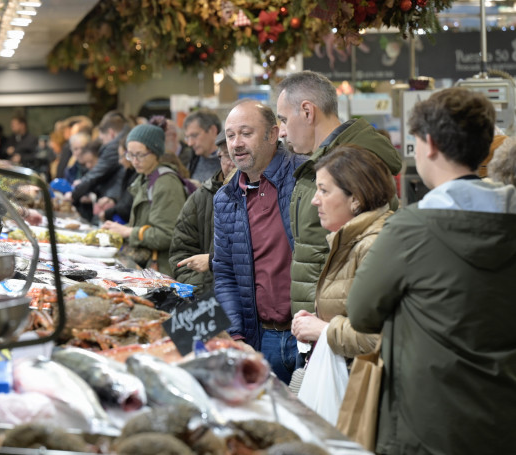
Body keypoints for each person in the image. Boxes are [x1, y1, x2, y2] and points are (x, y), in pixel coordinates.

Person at [347, 87, 516, 455]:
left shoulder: (411, 229)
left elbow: (361, 312)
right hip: (505, 416)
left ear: (432, 145)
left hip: (428, 421)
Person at [275, 70, 402, 316]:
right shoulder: (321, 162)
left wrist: (327, 326)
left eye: (283, 119)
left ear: (307, 112)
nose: (281, 131)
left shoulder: (354, 165)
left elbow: (371, 259)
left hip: (340, 327)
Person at [213, 99, 306, 384]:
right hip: (261, 338)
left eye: (246, 133)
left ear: (273, 134)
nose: (236, 143)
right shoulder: (225, 198)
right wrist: (236, 334)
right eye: (230, 135)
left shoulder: (305, 177)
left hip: (308, 337)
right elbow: (225, 273)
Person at [291, 145, 395, 360]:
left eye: (324, 190)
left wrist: (322, 329)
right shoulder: (349, 240)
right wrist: (315, 321)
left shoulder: (374, 245)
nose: (314, 199)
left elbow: (378, 337)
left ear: (355, 198)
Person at [102, 124, 189, 275]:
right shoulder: (145, 178)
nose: (134, 161)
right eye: (130, 155)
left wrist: (128, 231)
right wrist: (117, 230)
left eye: (140, 155)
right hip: (149, 267)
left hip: (163, 269)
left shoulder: (166, 183)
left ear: (155, 152)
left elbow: (167, 235)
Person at [169, 131, 234, 294]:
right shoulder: (202, 197)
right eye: (227, 155)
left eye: (239, 153)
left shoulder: (266, 195)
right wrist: (203, 291)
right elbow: (181, 253)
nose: (234, 162)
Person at [69, 111, 128, 208]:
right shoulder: (124, 137)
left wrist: (74, 194)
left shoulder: (113, 147)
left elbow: (97, 174)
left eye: (103, 139)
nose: (103, 144)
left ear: (111, 133)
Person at [96, 140, 136, 224]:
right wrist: (113, 200)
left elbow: (127, 207)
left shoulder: (137, 175)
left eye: (122, 156)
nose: (120, 161)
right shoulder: (130, 172)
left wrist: (108, 213)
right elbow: (127, 199)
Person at [184, 109, 223, 183]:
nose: (190, 143)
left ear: (213, 130)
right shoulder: (192, 160)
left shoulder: (231, 162)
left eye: (194, 135)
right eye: (187, 137)